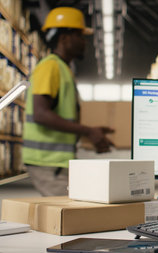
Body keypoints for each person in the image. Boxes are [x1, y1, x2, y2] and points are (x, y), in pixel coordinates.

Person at [23, 7, 114, 196]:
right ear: (64, 38)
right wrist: (88, 131)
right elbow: (41, 114)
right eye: (79, 36)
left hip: (55, 161)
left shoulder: (63, 69)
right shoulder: (50, 67)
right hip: (47, 161)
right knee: (69, 216)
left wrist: (90, 134)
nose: (84, 42)